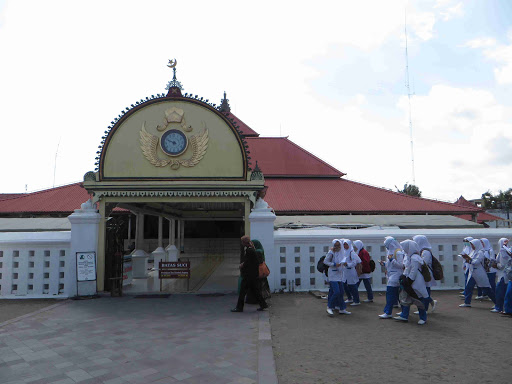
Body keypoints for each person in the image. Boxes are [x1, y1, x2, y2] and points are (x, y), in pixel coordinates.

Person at [394, 240, 429, 325]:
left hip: (415, 281)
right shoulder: (408, 256)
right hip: (408, 280)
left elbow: (414, 270)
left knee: (419, 299)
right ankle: (404, 315)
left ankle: (423, 317)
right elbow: (407, 268)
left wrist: (409, 280)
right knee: (405, 298)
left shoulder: (415, 258)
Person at [231, 236, 268, 312]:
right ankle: (263, 305)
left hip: (249, 276)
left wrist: (242, 265)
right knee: (256, 291)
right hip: (253, 275)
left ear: (245, 243)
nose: (242, 243)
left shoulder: (249, 251)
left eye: (242, 242)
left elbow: (248, 262)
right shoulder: (251, 249)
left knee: (242, 292)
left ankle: (239, 307)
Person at [460, 239, 496, 308]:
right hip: (472, 272)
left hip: (479, 272)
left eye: (473, 244)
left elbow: (476, 262)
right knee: (469, 287)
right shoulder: (473, 251)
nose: (472, 246)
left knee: (486, 288)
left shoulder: (480, 252)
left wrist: (469, 259)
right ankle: (467, 302)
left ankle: (497, 303)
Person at [378, 236, 404, 319]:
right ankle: (404, 311)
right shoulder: (390, 252)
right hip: (391, 274)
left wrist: (391, 260)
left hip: (396, 275)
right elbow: (391, 265)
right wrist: (384, 263)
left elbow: (401, 265)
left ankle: (388, 312)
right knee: (397, 294)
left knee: (390, 293)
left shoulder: (398, 252)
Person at [323, 239, 351, 316]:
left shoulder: (342, 252)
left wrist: (344, 263)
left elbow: (344, 259)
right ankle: (329, 306)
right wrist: (334, 264)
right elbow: (326, 261)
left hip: (340, 273)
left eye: (338, 245)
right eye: (335, 245)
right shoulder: (331, 252)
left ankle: (341, 308)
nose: (337, 247)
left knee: (341, 292)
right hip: (333, 274)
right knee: (336, 291)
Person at [413, 235, 438, 312]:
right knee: (423, 291)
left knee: (425, 291)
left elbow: (424, 263)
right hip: (423, 274)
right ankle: (429, 303)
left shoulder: (425, 252)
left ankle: (425, 308)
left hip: (426, 274)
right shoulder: (422, 251)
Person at [341, 239, 362, 306]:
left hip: (351, 271)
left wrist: (347, 264)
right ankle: (349, 297)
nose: (345, 246)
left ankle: (356, 300)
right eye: (344, 244)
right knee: (344, 284)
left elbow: (354, 262)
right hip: (345, 271)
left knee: (352, 286)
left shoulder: (352, 253)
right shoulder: (344, 252)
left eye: (346, 244)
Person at [493, 238, 511, 313]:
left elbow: (502, 265)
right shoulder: (506, 251)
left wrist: (496, 265)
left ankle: (499, 307)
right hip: (505, 274)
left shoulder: (503, 252)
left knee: (500, 292)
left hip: (503, 275)